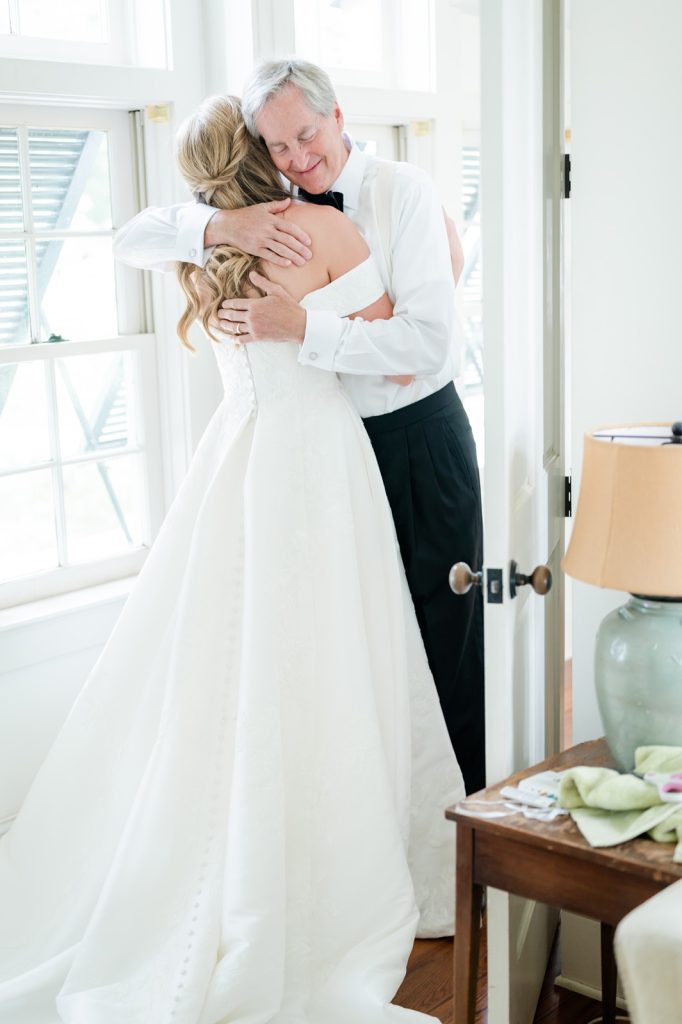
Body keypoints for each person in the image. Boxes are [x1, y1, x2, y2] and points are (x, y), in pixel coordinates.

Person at [0, 94, 463, 1024]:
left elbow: (133, 237)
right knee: (336, 655)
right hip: (320, 459)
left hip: (239, 459)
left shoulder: (198, 251)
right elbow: (401, 356)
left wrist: (215, 228)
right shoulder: (319, 231)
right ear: (262, 151)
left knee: (235, 664)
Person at [115, 58, 486, 796]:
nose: (297, 158)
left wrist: (301, 327)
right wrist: (220, 222)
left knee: (443, 640)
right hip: (334, 449)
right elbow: (132, 238)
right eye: (277, 147)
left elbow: (426, 349)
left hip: (416, 436)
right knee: (360, 650)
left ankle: (467, 821)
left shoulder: (404, 192)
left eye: (307, 136)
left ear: (338, 116)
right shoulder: (272, 216)